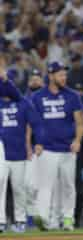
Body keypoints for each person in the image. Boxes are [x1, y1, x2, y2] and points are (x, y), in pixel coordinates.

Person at [31, 61, 83, 231]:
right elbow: (32, 123)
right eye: (60, 74)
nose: (64, 77)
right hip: (46, 148)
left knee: (68, 185)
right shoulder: (37, 97)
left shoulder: (72, 95)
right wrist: (36, 143)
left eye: (65, 74)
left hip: (67, 148)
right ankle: (44, 218)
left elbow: (81, 122)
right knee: (46, 185)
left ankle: (68, 218)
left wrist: (77, 140)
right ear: (51, 75)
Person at [0, 90, 44, 233]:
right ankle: (1, 221)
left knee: (19, 187)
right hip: (1, 151)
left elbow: (36, 123)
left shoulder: (23, 103)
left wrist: (38, 142)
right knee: (0, 186)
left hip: (18, 152)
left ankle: (20, 220)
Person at [0, 65, 24, 233]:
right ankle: (1, 220)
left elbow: (16, 95)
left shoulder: (18, 102)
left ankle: (15, 220)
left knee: (10, 184)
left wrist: (5, 80)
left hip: (12, 149)